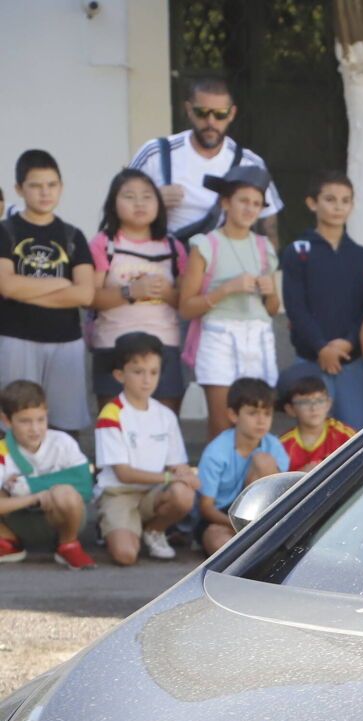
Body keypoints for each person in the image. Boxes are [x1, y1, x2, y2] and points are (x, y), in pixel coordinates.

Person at [177, 164, 280, 437]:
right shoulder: (205, 244)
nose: (249, 209)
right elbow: (186, 307)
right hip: (219, 335)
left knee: (257, 423)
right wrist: (226, 289)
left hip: (258, 336)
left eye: (257, 204)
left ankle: (254, 480)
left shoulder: (263, 246)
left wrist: (270, 291)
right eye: (243, 201)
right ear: (226, 202)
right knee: (222, 422)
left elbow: (272, 308)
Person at [0, 151, 96, 438]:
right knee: (14, 418)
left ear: (61, 187)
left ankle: (64, 479)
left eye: (52, 185)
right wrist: (62, 285)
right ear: (19, 189)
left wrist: (23, 288)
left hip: (65, 341)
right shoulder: (6, 232)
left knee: (64, 425)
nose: (45, 192)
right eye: (36, 185)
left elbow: (86, 294)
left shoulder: (72, 235)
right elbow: (5, 286)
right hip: (16, 337)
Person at [277, 169, 363, 431]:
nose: (338, 207)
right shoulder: (298, 252)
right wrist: (322, 348)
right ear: (312, 203)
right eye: (330, 199)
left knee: (355, 436)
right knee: (313, 435)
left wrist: (348, 342)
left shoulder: (361, 256)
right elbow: (296, 308)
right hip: (312, 359)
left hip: (352, 362)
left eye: (345, 200)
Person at [129, 78, 280, 241]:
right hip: (161, 260)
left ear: (232, 114)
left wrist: (270, 264)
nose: (211, 122)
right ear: (189, 110)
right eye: (202, 112)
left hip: (224, 261)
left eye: (220, 114)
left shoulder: (250, 164)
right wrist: (152, 200)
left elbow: (268, 227)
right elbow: (117, 205)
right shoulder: (155, 153)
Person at [93, 331, 195, 565]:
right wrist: (171, 476)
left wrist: (187, 476)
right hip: (119, 493)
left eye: (153, 372)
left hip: (152, 492)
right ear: (120, 375)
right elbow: (123, 474)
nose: (147, 380)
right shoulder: (111, 414)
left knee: (183, 494)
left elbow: (178, 462)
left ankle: (154, 530)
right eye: (138, 372)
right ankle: (112, 523)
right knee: (126, 556)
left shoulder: (166, 415)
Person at [88, 170, 186, 414]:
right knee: (114, 425)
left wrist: (166, 293)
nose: (139, 203)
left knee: (163, 427)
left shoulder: (174, 247)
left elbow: (185, 303)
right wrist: (130, 291)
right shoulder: (104, 243)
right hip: (113, 345)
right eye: (129, 197)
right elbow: (90, 299)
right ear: (113, 203)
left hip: (164, 347)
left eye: (147, 196)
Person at [0, 378, 93, 568]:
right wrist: (36, 497)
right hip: (20, 522)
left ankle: (68, 544)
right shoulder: (3, 451)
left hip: (60, 521)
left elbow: (85, 486)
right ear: (6, 421)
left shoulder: (62, 442)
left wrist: (29, 485)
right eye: (25, 421)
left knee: (65, 492)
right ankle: (10, 543)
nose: (35, 429)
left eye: (40, 419)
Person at [195, 376, 287, 553]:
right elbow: (206, 507)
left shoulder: (273, 445)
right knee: (219, 543)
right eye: (253, 413)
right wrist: (237, 523)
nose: (261, 420)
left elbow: (282, 490)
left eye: (267, 413)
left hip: (259, 515)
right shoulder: (216, 451)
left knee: (263, 460)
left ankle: (259, 538)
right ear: (233, 415)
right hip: (221, 518)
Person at [276, 374, 356, 472]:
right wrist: (300, 475)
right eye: (305, 402)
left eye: (319, 401)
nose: (313, 408)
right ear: (290, 409)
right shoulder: (282, 445)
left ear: (328, 404)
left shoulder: (344, 435)